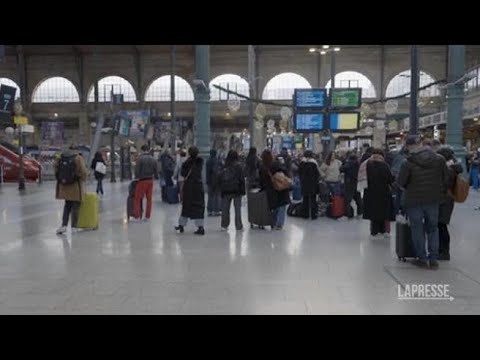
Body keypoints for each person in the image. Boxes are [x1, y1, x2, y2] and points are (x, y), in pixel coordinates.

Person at [396, 135, 449, 270]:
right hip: (433, 200)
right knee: (433, 228)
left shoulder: (407, 162)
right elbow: (445, 179)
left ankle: (422, 258)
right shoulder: (440, 159)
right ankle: (433, 259)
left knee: (417, 229)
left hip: (414, 201)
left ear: (409, 146)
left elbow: (400, 183)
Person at [437, 147, 463, 261]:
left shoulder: (449, 169)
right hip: (447, 200)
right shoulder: (452, 167)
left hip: (444, 200)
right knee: (441, 225)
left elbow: (444, 185)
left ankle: (444, 251)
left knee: (441, 225)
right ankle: (442, 250)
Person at [55, 146, 88, 234]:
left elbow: (56, 169)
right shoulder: (78, 158)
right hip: (75, 186)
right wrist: (83, 178)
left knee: (67, 206)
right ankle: (74, 227)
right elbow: (83, 171)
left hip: (65, 186)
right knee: (76, 206)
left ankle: (64, 226)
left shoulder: (61, 157)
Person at [362, 149, 395, 238]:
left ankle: (374, 231)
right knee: (385, 213)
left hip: (370, 193)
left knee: (373, 213)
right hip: (384, 193)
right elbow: (390, 179)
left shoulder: (367, 165)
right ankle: (385, 231)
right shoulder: (385, 166)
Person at [175, 146, 205, 235]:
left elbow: (183, 174)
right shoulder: (200, 162)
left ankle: (181, 225)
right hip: (198, 186)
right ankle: (200, 227)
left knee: (186, 206)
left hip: (189, 186)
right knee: (199, 207)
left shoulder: (187, 163)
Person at [259, 149, 290, 230]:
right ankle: (279, 224)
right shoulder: (276, 164)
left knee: (274, 207)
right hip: (280, 187)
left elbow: (261, 180)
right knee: (282, 206)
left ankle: (273, 222)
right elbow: (285, 172)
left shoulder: (262, 166)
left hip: (270, 190)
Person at [219, 150, 246, 231]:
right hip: (236, 190)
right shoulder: (239, 166)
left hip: (226, 190)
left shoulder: (225, 165)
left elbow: (221, 178)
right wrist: (243, 191)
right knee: (237, 209)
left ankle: (224, 225)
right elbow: (242, 179)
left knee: (225, 209)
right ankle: (238, 226)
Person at [133, 145, 159, 222]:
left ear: (142, 150)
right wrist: (155, 176)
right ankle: (147, 217)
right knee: (149, 199)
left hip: (142, 180)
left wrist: (136, 177)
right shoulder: (153, 159)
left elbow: (137, 170)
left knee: (137, 198)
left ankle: (137, 216)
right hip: (150, 180)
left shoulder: (140, 159)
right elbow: (156, 170)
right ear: (148, 149)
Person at [298, 150, 320, 220]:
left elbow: (299, 172)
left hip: (304, 184)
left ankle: (305, 214)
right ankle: (313, 215)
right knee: (313, 199)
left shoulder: (302, 163)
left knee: (305, 199)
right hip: (313, 184)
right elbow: (317, 174)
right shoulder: (314, 163)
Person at [340, 152, 363, 219]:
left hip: (349, 183)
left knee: (347, 200)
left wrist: (345, 163)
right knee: (358, 199)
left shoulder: (349, 163)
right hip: (357, 183)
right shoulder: (358, 164)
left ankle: (347, 214)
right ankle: (360, 213)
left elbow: (341, 169)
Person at [390, 145, 408, 215]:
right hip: (404, 179)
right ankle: (403, 211)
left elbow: (393, 167)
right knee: (403, 196)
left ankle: (396, 211)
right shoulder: (407, 158)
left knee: (398, 195)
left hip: (397, 178)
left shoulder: (397, 156)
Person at [206, 149, 223, 216]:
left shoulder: (207, 161)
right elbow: (221, 170)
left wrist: (207, 180)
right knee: (217, 196)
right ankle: (216, 210)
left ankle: (209, 210)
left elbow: (207, 172)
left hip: (210, 181)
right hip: (217, 181)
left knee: (210, 196)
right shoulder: (218, 161)